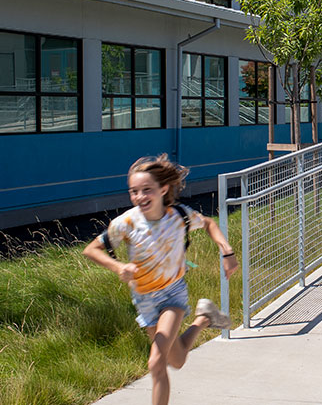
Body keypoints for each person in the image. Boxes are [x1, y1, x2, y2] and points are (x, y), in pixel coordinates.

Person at [83, 154, 238, 405]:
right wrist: (117, 266)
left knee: (156, 363)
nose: (139, 197)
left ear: (163, 189)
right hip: (144, 300)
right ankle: (205, 318)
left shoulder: (179, 216)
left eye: (147, 190)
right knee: (176, 360)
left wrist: (227, 251)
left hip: (172, 295)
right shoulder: (127, 222)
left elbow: (209, 223)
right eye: (134, 191)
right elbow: (91, 249)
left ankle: (203, 318)